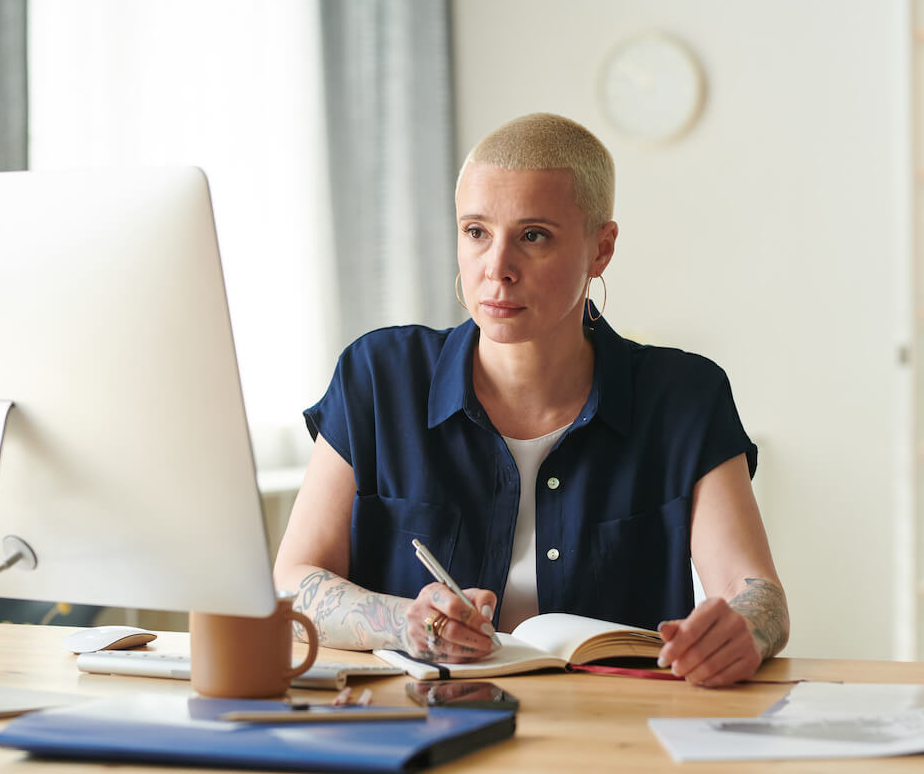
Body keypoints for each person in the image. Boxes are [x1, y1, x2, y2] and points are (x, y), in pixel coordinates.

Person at [273, 113, 788, 686]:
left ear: (601, 249)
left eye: (533, 236)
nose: (497, 269)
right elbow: (294, 578)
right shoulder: (377, 378)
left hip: (613, 733)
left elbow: (757, 592)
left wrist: (743, 629)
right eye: (476, 232)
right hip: (416, 723)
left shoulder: (685, 396)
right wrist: (403, 622)